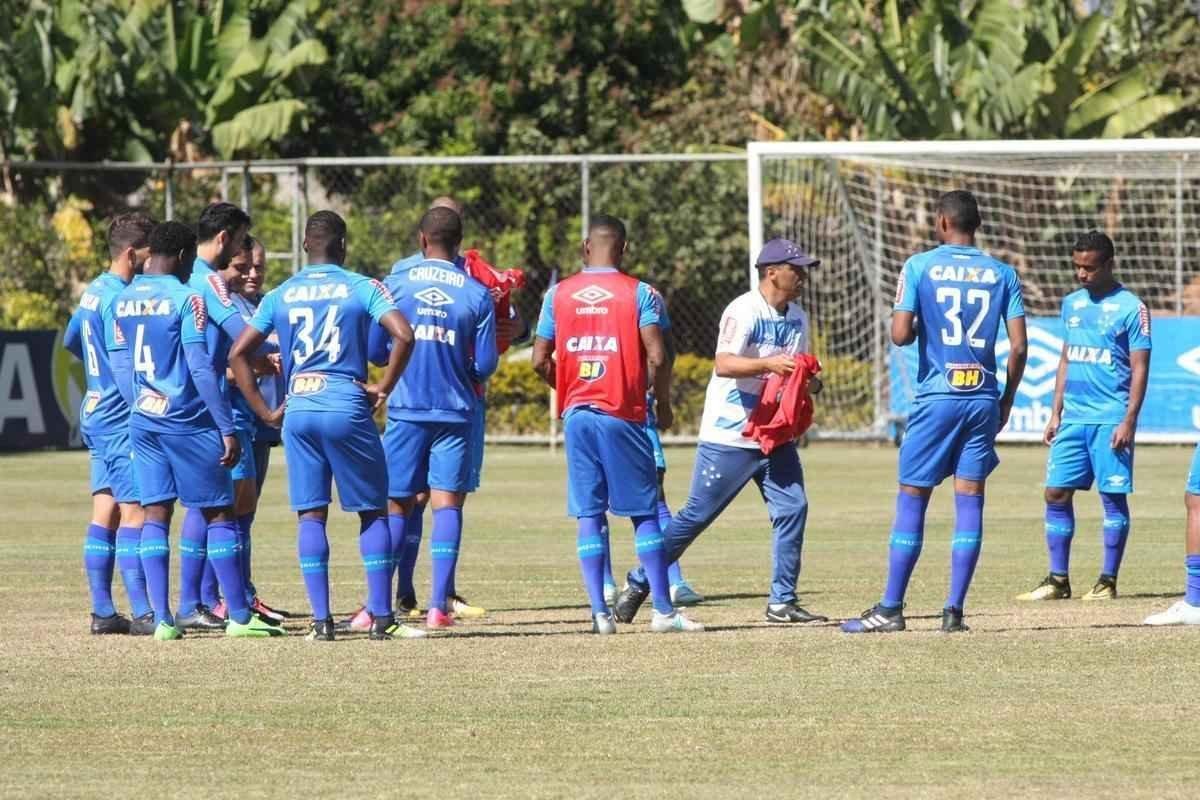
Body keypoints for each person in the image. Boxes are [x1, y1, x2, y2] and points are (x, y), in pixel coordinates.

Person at [842, 190, 1027, 634]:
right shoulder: (1003, 273)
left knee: (913, 497)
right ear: (976, 224)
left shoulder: (919, 266)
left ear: (942, 222)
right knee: (970, 499)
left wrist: (927, 321)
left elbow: (900, 334)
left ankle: (890, 608)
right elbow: (1019, 345)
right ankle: (953, 612)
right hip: (983, 397)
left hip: (937, 396)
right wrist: (1005, 399)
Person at [613, 237, 824, 627]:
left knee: (794, 507)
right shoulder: (743, 310)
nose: (803, 276)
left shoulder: (798, 318)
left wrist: (808, 382)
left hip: (773, 435)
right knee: (695, 517)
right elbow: (724, 363)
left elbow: (796, 373)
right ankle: (640, 580)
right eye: (797, 269)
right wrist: (770, 364)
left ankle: (782, 601)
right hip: (729, 434)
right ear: (771, 271)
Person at [229, 210, 417, 641]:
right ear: (343, 245)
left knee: (311, 515)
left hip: (299, 407)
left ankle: (321, 621)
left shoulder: (281, 293)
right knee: (372, 511)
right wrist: (383, 388)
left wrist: (264, 411)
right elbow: (404, 335)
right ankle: (382, 617)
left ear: (304, 247)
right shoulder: (362, 286)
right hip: (345, 401)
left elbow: (239, 353)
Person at [110, 220, 283, 640]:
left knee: (156, 513)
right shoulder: (188, 299)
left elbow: (119, 364)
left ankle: (163, 620)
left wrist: (141, 405)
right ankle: (240, 618)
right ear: (185, 256)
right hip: (187, 421)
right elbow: (200, 366)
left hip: (144, 420)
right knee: (219, 511)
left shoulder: (122, 299)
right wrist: (225, 425)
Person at [532, 214, 700, 635]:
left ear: (586, 247)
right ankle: (663, 611)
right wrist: (661, 403)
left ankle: (599, 614)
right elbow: (659, 356)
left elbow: (538, 359)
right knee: (644, 512)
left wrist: (567, 385)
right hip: (622, 414)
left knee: (589, 512)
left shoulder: (558, 294)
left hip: (577, 416)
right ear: (623, 249)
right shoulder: (640, 293)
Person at [370, 196, 527, 626]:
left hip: (406, 407)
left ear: (422, 239)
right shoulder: (475, 290)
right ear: (461, 243)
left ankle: (382, 603)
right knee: (447, 505)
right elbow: (487, 364)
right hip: (457, 410)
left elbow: (376, 349)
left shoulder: (394, 283)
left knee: (398, 504)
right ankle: (438, 606)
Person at [1017, 231, 1150, 603]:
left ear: (1109, 264)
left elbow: (1140, 367)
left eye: (1089, 267)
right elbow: (1066, 357)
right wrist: (1055, 410)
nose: (1081, 274)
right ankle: (1058, 580)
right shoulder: (1072, 304)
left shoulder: (1131, 307)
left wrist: (1129, 419)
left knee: (1112, 496)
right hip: (1074, 417)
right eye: (1077, 266)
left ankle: (1107, 581)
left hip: (1111, 417)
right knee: (1055, 492)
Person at [62, 212, 157, 635]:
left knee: (106, 508)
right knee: (136, 511)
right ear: (132, 254)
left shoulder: (92, 293)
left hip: (94, 408)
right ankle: (143, 613)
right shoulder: (121, 298)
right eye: (150, 256)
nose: (153, 265)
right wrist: (141, 401)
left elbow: (70, 341)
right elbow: (122, 363)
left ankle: (103, 611)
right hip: (119, 415)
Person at [175, 201, 258, 632]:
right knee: (218, 507)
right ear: (224, 238)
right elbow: (240, 333)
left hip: (175, 404)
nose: (242, 252)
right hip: (208, 407)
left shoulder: (177, 275)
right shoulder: (209, 281)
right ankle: (210, 605)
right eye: (242, 240)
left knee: (198, 504)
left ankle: (198, 601)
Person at [601, 295, 704, 608]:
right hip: (628, 412)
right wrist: (660, 399)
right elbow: (664, 354)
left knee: (602, 502)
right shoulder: (646, 295)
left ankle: (614, 585)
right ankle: (668, 582)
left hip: (604, 409)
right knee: (651, 502)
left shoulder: (572, 294)